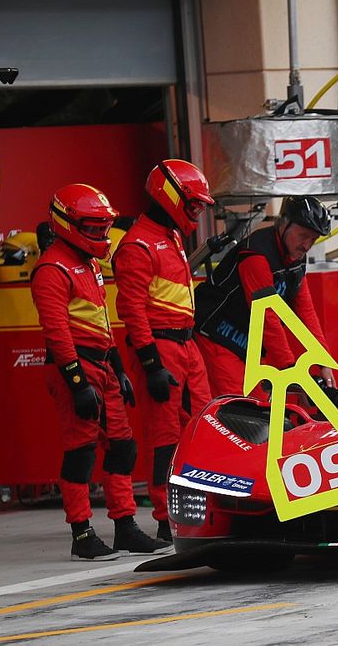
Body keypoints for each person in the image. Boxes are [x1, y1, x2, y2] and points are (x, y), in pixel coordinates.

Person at [31, 184, 171, 560]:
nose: (100, 235)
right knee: (81, 452)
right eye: (91, 228)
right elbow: (58, 333)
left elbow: (102, 321)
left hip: (103, 366)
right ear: (66, 224)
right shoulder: (51, 269)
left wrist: (120, 369)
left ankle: (125, 526)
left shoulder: (89, 264)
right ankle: (81, 534)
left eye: (103, 228)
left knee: (122, 449)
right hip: (73, 368)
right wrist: (77, 384)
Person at [113, 159, 214, 543]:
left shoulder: (170, 237)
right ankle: (163, 517)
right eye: (194, 205)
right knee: (165, 438)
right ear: (171, 196)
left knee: (204, 428)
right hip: (162, 347)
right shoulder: (138, 244)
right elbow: (132, 311)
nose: (197, 213)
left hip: (186, 345)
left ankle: (200, 508)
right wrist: (151, 364)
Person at [194, 195, 337, 401]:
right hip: (217, 334)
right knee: (235, 411)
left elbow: (305, 310)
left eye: (313, 239)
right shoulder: (257, 255)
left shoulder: (295, 257)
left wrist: (323, 361)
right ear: (284, 223)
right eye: (303, 235)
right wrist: (290, 369)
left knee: (259, 411)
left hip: (248, 345)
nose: (307, 245)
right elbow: (267, 315)